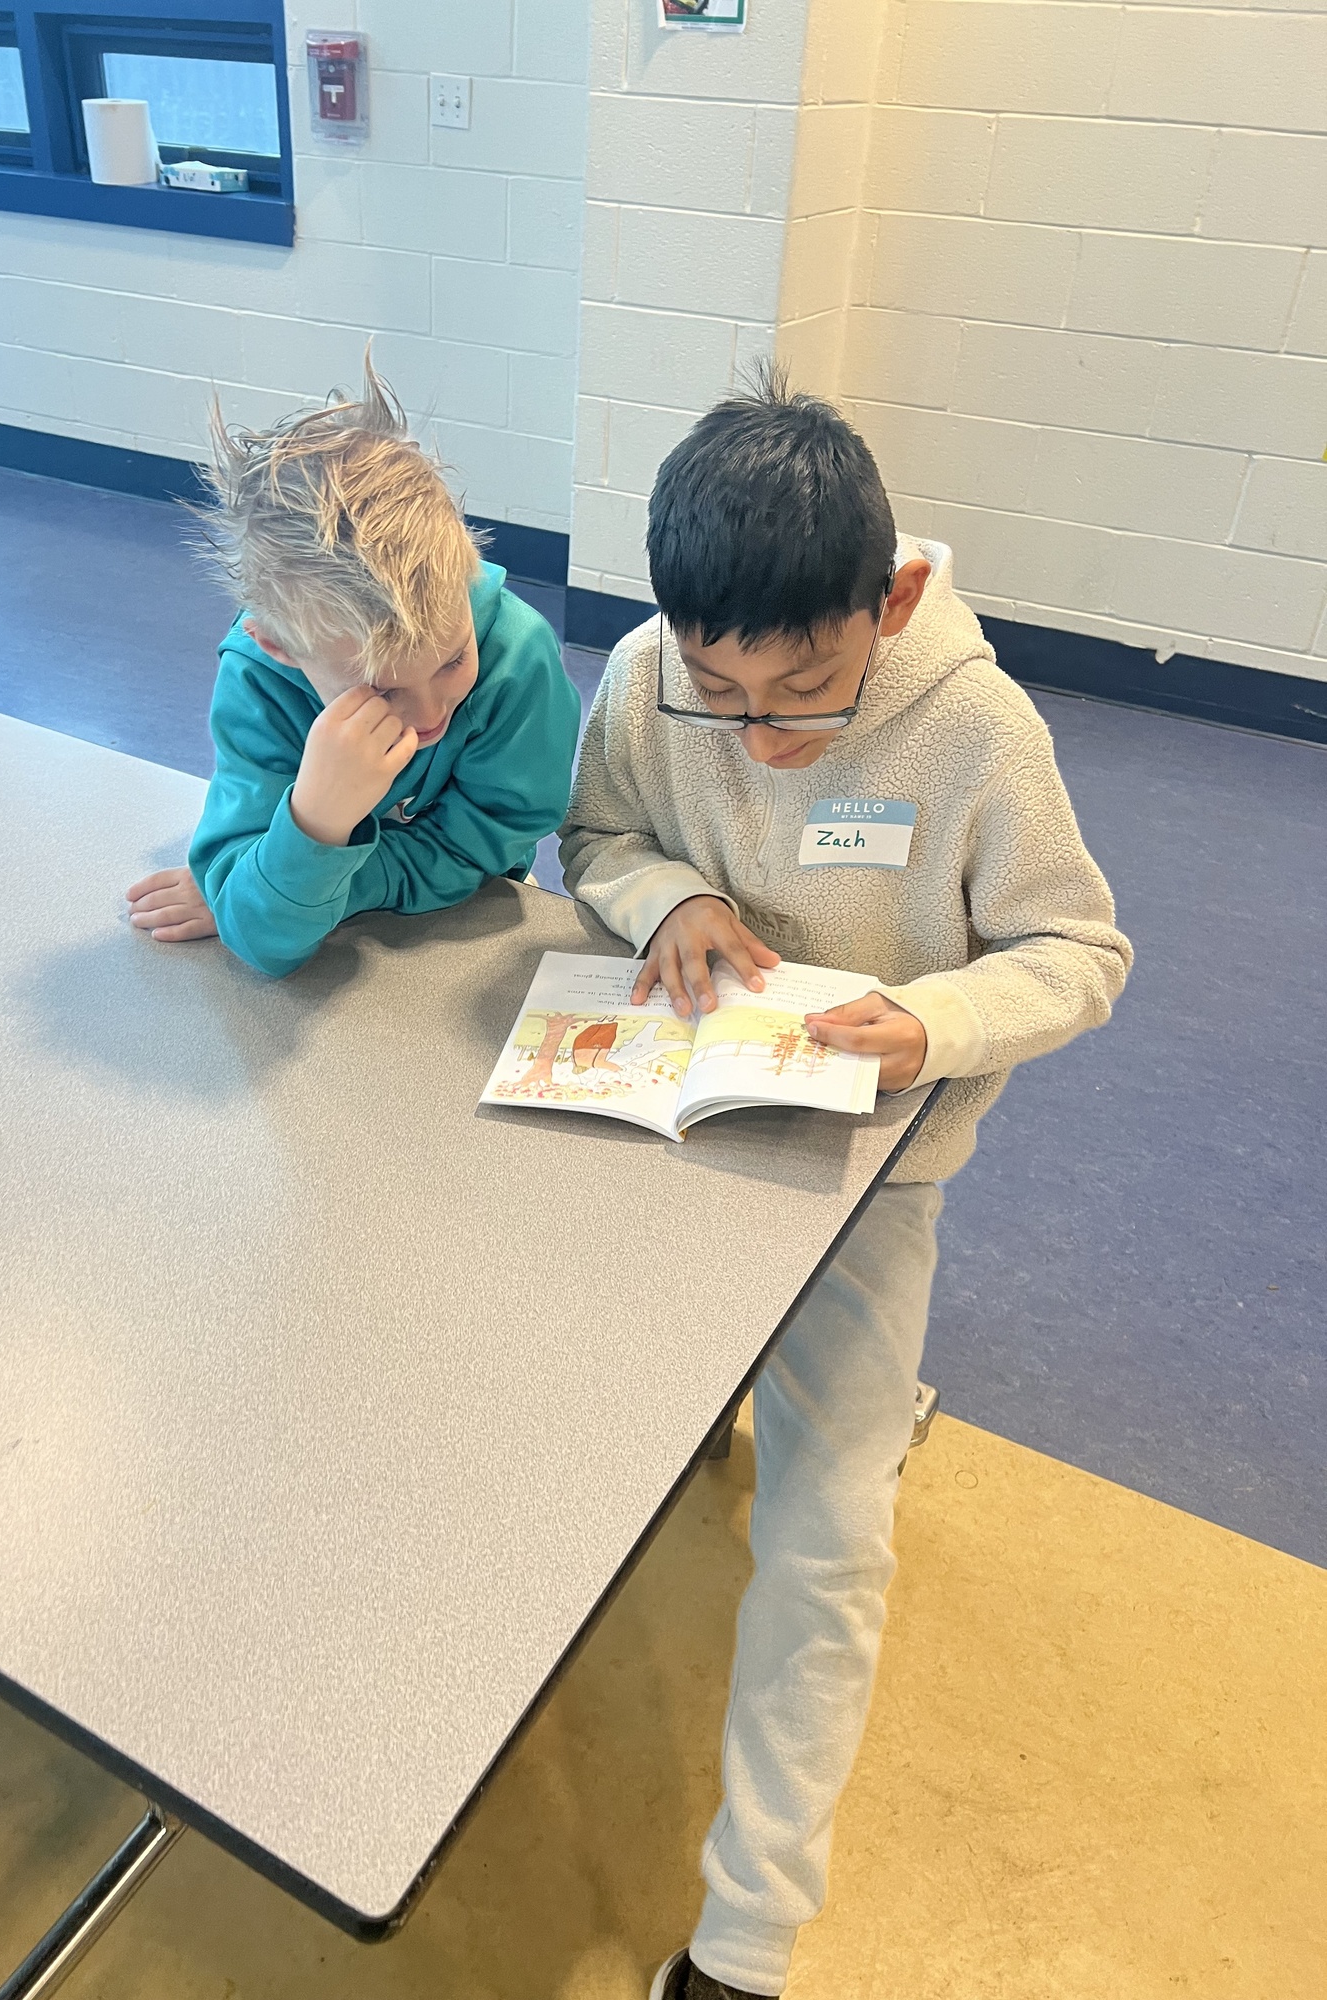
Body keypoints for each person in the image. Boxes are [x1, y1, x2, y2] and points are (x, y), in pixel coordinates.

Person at [559, 372, 1132, 2000]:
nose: (765, 734)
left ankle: (743, 1946)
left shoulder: (975, 726)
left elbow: (1080, 949)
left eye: (805, 689)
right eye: (723, 695)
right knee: (585, 1417)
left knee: (824, 1538)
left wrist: (937, 1021)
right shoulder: (654, 678)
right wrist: (661, 891)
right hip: (674, 1117)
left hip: (866, 1180)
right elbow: (593, 836)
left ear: (885, 603)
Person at [126, 366, 579, 978]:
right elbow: (261, 942)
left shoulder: (518, 655)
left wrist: (297, 875)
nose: (427, 718)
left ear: (468, 569)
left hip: (469, 928)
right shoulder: (258, 680)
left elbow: (488, 850)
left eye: (452, 660)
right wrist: (315, 822)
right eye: (384, 689)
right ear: (280, 647)